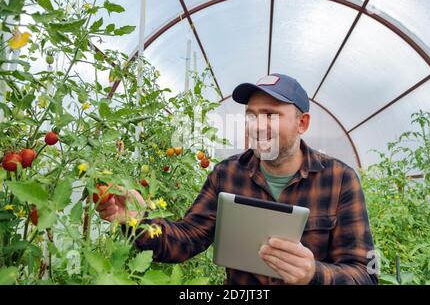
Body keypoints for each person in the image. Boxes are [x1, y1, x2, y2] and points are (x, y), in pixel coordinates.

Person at [95, 73, 378, 285]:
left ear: (302, 123)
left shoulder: (340, 180)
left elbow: (367, 274)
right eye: (252, 115)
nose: (258, 126)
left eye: (271, 115)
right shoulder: (227, 174)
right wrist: (137, 220)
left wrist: (313, 274)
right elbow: (186, 239)